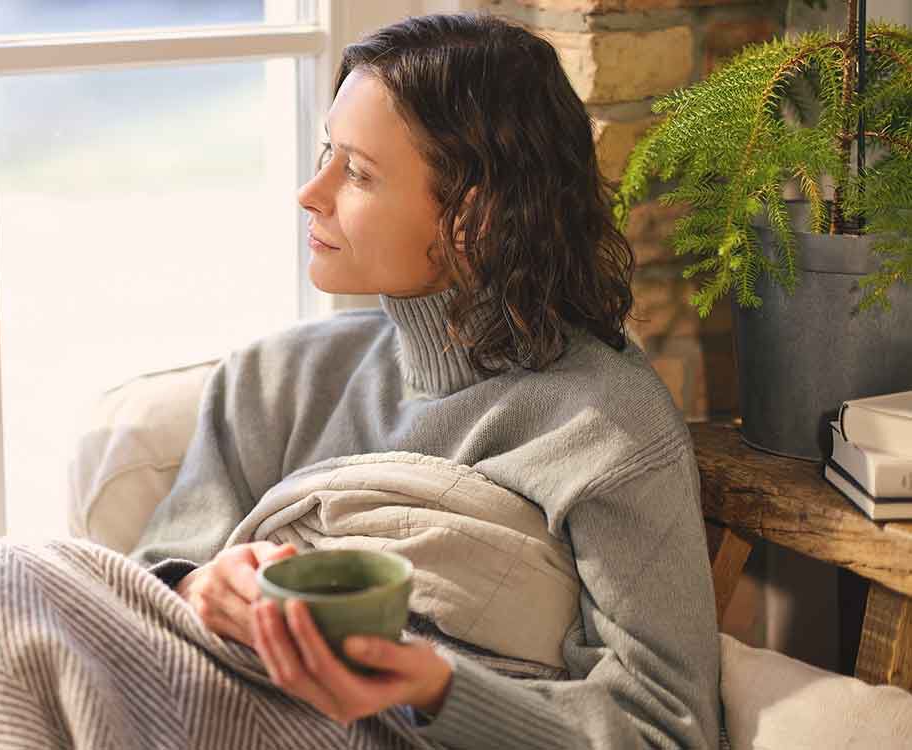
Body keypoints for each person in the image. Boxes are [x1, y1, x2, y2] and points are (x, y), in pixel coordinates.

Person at [130, 11, 723, 749]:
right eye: (325, 153)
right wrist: (194, 586)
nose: (309, 193)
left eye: (356, 171)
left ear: (471, 217)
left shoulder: (607, 426)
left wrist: (438, 687)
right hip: (202, 703)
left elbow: (669, 728)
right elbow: (139, 593)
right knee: (2, 590)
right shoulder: (269, 381)